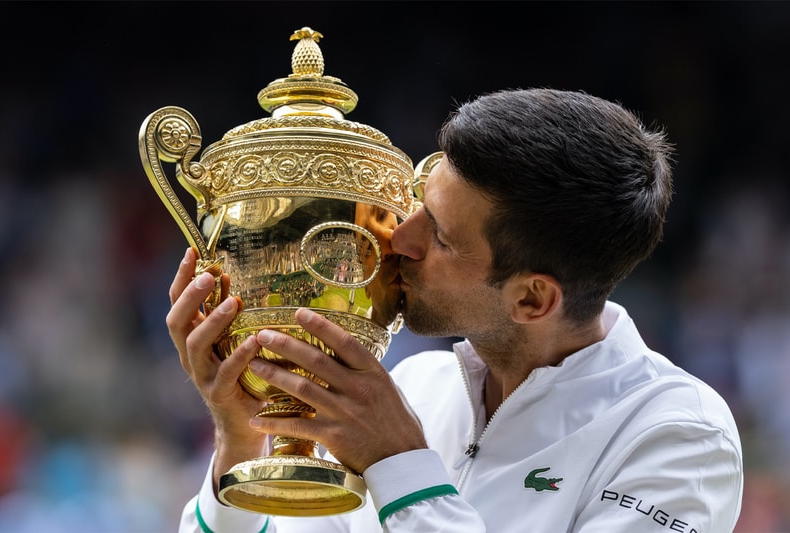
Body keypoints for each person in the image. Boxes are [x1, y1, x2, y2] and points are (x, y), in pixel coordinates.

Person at [169, 88, 743, 532]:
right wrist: (242, 441)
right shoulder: (416, 385)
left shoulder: (678, 435)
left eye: (440, 236)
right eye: (419, 204)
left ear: (531, 298)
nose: (399, 239)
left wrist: (402, 467)